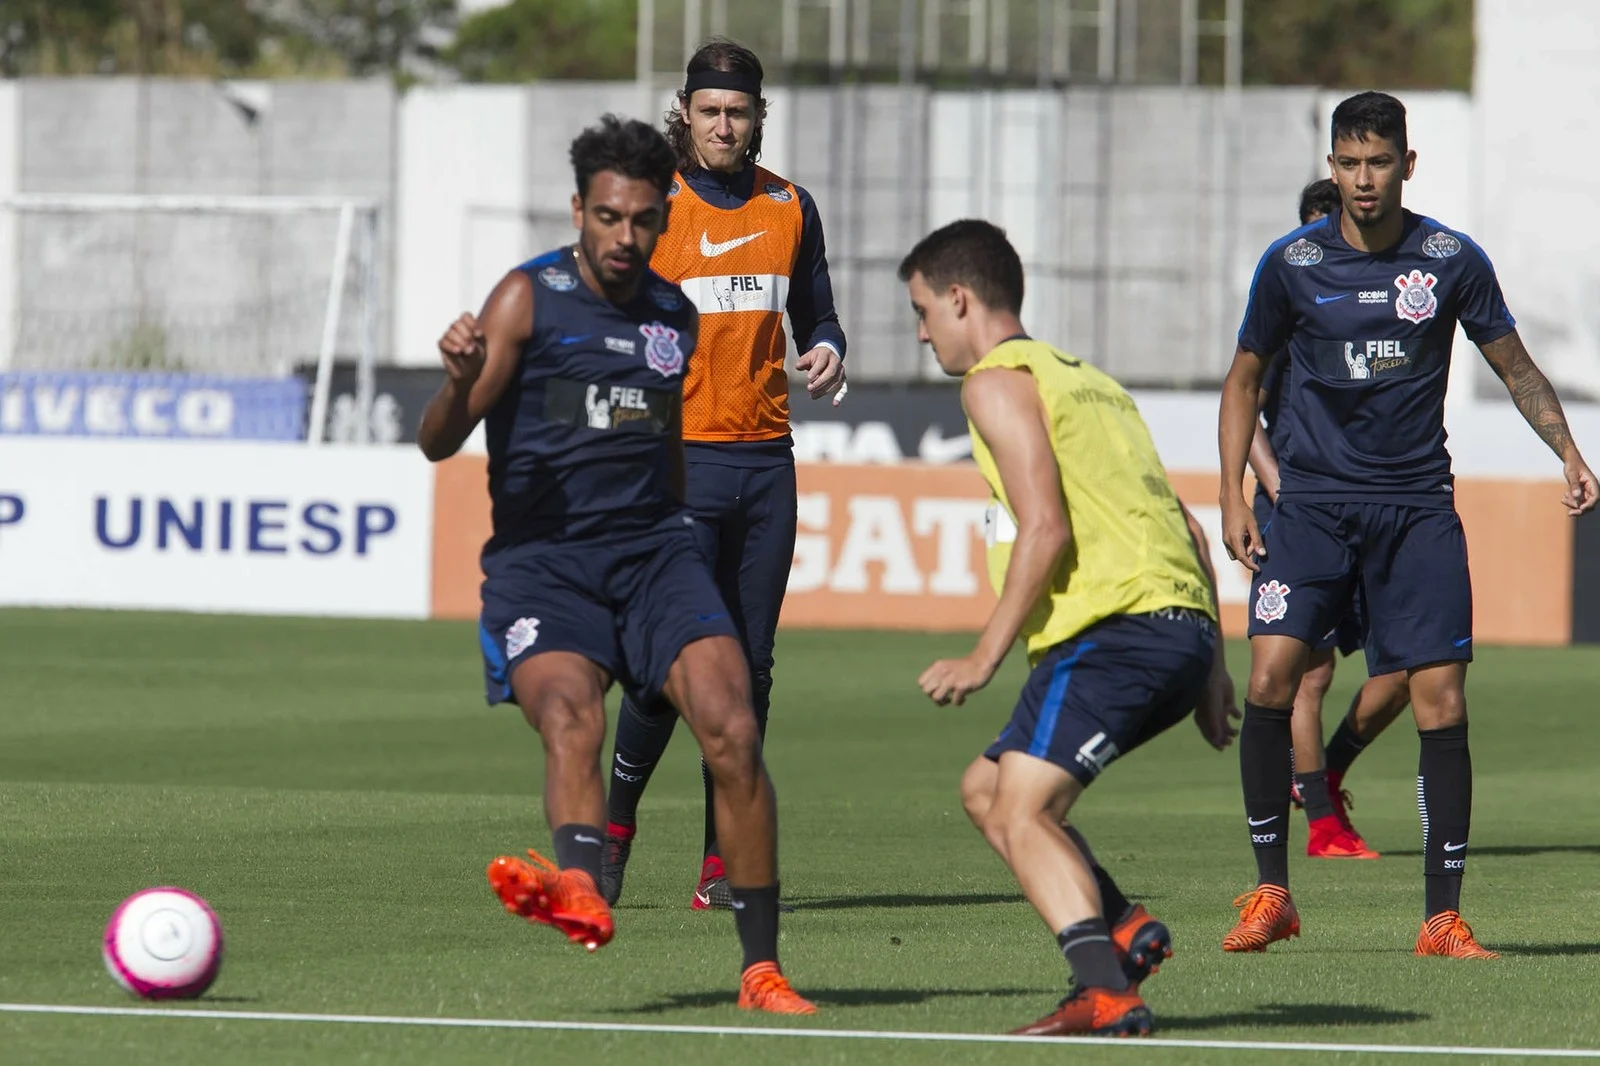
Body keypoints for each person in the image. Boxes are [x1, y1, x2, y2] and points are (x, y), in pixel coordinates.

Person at [415, 114, 814, 1015]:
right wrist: (453, 379)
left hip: (652, 556)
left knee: (734, 724)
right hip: (546, 564)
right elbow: (439, 444)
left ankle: (760, 969)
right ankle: (584, 885)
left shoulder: (671, 314)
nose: (627, 238)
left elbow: (662, 445)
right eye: (609, 218)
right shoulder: (528, 299)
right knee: (571, 717)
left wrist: (672, 531)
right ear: (580, 212)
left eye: (642, 220)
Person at [1218, 91, 1597, 959]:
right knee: (1273, 677)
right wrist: (1235, 497)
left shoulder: (1450, 260)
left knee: (1440, 700)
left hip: (1416, 507)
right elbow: (1243, 381)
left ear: (1407, 166)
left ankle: (1442, 916)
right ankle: (1273, 891)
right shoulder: (1291, 263)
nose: (1362, 179)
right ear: (1331, 166)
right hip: (1310, 506)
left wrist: (1569, 452)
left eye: (1377, 162)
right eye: (1347, 163)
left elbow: (1517, 367)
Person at [900, 219, 1240, 1037]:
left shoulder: (994, 381)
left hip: (1112, 632)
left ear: (959, 298)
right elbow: (1187, 528)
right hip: (1177, 627)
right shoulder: (1090, 381)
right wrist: (1214, 668)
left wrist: (984, 656)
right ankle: (1122, 927)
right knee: (987, 792)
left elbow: (1044, 527)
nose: (920, 333)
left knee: (1023, 811)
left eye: (921, 311)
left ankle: (1104, 990)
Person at [601, 38, 848, 911]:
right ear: (686, 111)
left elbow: (819, 313)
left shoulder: (790, 205)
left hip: (765, 465)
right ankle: (614, 831)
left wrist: (827, 349)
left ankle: (721, 863)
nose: (723, 125)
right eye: (709, 111)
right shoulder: (651, 205)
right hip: (677, 468)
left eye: (737, 112)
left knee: (751, 673)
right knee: (669, 670)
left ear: (756, 118)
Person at [1249, 177, 1410, 860]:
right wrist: (1279, 493)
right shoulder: (1289, 304)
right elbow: (1241, 409)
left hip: (1376, 502)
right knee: (1307, 674)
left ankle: (1330, 770)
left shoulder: (1384, 304)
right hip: (1299, 507)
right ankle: (1320, 823)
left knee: (1408, 670)